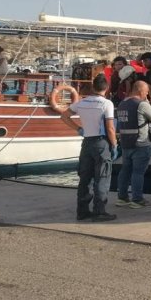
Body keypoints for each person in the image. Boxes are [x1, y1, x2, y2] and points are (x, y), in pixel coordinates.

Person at [60, 74, 117, 222]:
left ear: (93, 87)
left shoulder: (81, 103)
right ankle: (99, 211)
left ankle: (82, 211)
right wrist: (115, 144)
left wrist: (78, 129)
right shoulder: (107, 104)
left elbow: (64, 116)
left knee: (85, 178)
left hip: (86, 142)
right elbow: (110, 128)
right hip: (101, 142)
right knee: (102, 177)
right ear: (106, 87)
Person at [114, 80, 151, 208]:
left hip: (125, 142)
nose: (147, 94)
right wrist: (147, 103)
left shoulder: (122, 104)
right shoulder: (142, 104)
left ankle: (122, 198)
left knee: (125, 170)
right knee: (138, 172)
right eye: (146, 92)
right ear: (140, 91)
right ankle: (137, 199)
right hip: (141, 143)